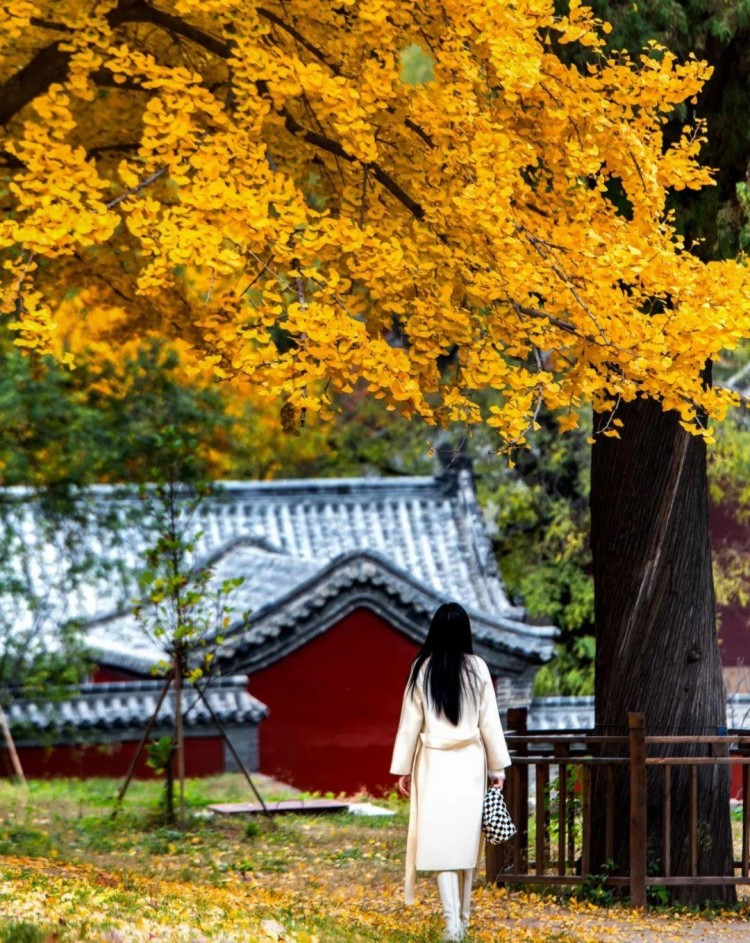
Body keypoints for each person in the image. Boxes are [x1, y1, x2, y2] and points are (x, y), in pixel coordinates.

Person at [390, 601, 511, 942]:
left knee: (441, 844)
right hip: (471, 764)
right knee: (465, 846)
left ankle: (451, 925)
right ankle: (464, 921)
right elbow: (490, 722)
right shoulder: (479, 668)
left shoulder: (421, 669)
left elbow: (409, 724)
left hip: (433, 764)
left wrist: (403, 768)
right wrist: (496, 768)